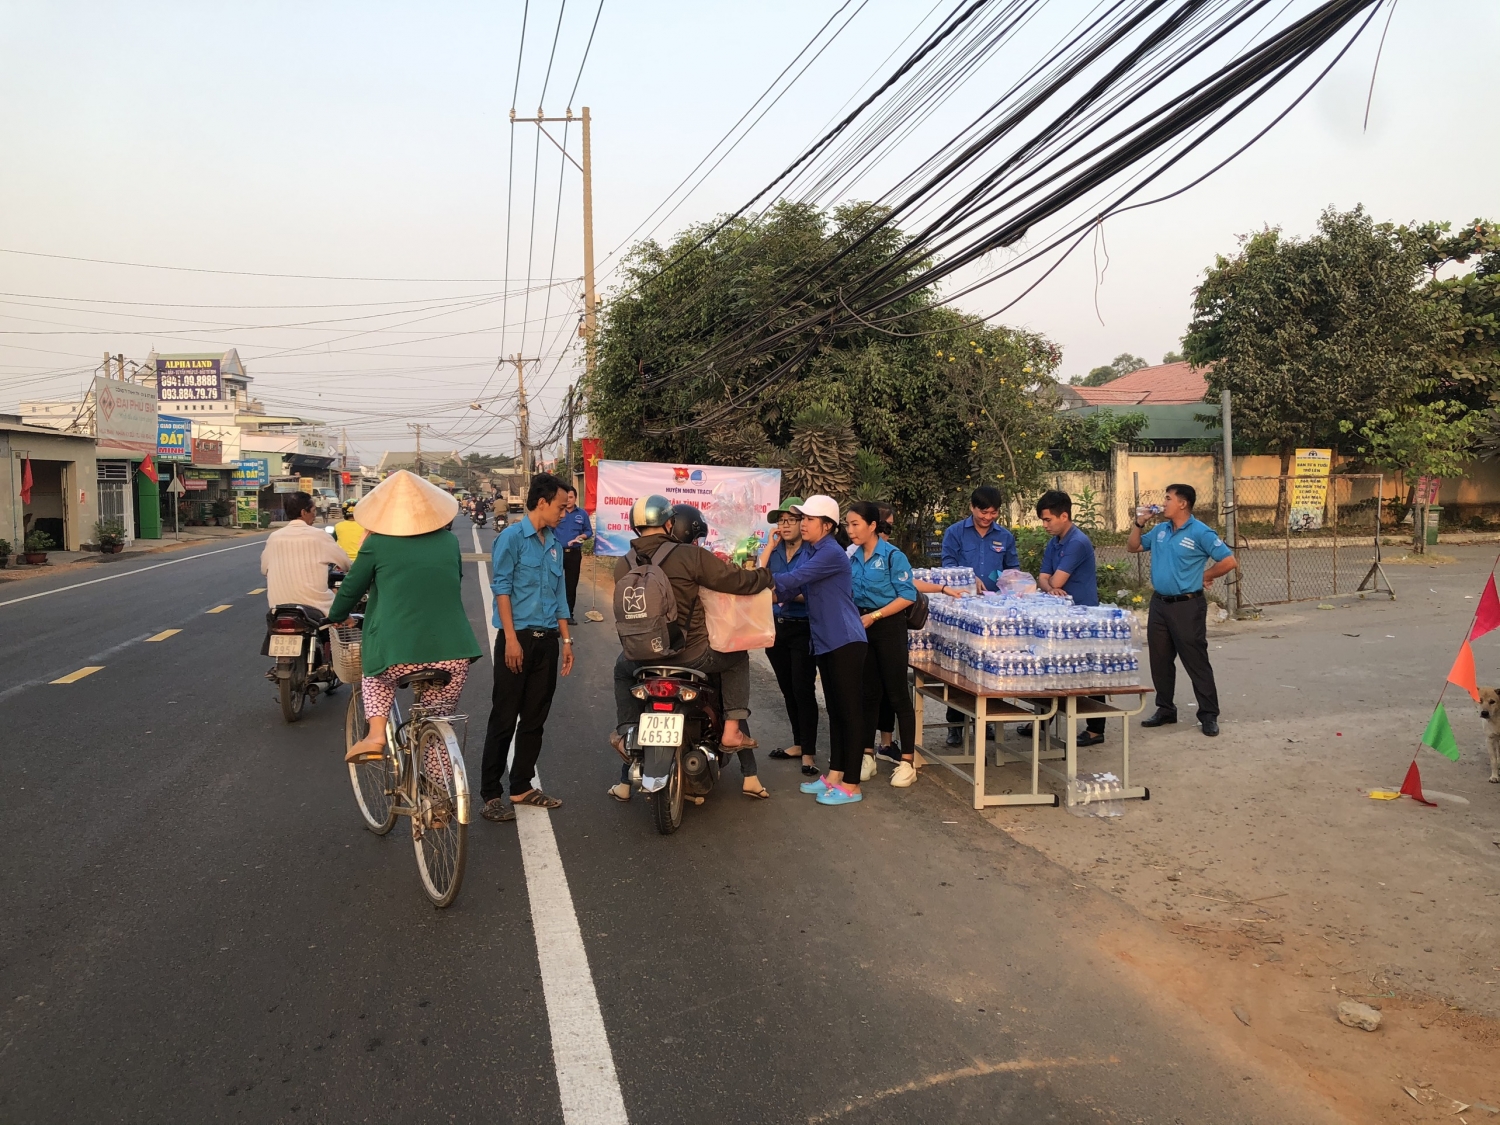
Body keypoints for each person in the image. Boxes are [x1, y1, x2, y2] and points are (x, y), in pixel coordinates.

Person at [609, 496, 772, 800]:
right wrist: (764, 575)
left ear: (634, 525)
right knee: (736, 658)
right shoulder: (689, 556)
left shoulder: (623, 563)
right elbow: (735, 581)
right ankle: (732, 728)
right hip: (693, 655)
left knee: (620, 672)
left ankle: (627, 731)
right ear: (669, 523)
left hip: (639, 657)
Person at [329, 471, 482, 766]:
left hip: (396, 655)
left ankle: (375, 737)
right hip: (454, 654)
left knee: (374, 678)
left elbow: (350, 589)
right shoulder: (449, 542)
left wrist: (337, 616)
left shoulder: (377, 544)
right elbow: (453, 581)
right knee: (437, 724)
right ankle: (437, 808)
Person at [480, 472, 575, 822]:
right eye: (560, 507)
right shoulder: (511, 538)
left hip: (547, 641)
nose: (564, 514)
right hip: (515, 640)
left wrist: (566, 641)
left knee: (535, 719)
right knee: (504, 718)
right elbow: (501, 589)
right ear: (542, 502)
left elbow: (560, 597)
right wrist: (511, 640)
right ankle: (491, 793)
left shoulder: (555, 544)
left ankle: (521, 786)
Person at [772, 496, 868, 807]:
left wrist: (759, 577)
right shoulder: (813, 551)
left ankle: (851, 784)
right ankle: (835, 776)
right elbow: (787, 590)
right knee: (837, 712)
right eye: (801, 518)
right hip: (825, 641)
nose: (802, 523)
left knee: (849, 713)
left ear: (826, 525)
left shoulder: (830, 553)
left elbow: (793, 579)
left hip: (845, 640)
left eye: (808, 519)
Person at [1127, 483, 1238, 737]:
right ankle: (1165, 709)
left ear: (1183, 503)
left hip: (1187, 606)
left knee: (1195, 660)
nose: (1163, 503)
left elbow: (1229, 561)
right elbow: (1133, 547)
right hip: (1160, 604)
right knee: (1160, 660)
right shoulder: (1161, 531)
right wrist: (1139, 523)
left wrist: (1204, 575)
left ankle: (1208, 715)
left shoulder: (1201, 532)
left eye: (1168, 498)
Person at [846, 501, 920, 788]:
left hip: (888, 627)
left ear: (872, 526)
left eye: (855, 525)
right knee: (868, 693)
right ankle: (867, 755)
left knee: (897, 693)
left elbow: (907, 596)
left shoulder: (892, 556)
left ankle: (907, 761)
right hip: (862, 627)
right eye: (848, 525)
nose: (850, 531)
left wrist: (874, 616)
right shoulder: (852, 557)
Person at [939, 485, 1018, 745]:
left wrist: (1013, 585)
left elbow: (1012, 570)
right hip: (963, 609)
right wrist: (968, 578)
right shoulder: (955, 533)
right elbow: (947, 566)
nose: (987, 518)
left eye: (993, 513)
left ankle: (989, 720)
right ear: (972, 508)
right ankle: (956, 724)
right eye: (983, 512)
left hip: (994, 612)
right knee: (961, 666)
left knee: (994, 663)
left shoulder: (1004, 537)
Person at [1035, 489, 1106, 747]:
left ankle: (1096, 728)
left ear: (1064, 515)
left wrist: (1049, 582)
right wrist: (1049, 583)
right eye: (1043, 520)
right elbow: (1043, 579)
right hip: (1062, 616)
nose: (1045, 525)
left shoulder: (1077, 542)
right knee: (1055, 668)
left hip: (1083, 615)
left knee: (1089, 670)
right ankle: (1043, 722)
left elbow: (1054, 579)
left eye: (1048, 520)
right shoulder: (1054, 542)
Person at [758, 497, 821, 777]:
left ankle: (808, 753)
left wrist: (780, 592)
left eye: (790, 520)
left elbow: (812, 591)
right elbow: (759, 577)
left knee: (803, 689)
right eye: (780, 521)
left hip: (803, 625)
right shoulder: (775, 551)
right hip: (775, 627)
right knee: (787, 688)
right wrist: (770, 546)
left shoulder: (813, 552)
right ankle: (797, 743)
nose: (784, 526)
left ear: (803, 522)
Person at [260, 491, 351, 615]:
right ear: (303, 513)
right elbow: (346, 564)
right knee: (345, 618)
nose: (314, 515)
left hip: (278, 607)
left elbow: (264, 570)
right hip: (318, 607)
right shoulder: (319, 536)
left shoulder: (274, 537)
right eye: (313, 511)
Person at [556, 484, 593, 624]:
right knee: (555, 583)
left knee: (571, 584)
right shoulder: (558, 512)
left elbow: (589, 531)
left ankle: (568, 614)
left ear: (575, 498)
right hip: (557, 553)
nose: (569, 500)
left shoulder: (582, 514)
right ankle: (554, 614)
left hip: (574, 554)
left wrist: (582, 536)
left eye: (571, 497)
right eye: (566, 498)